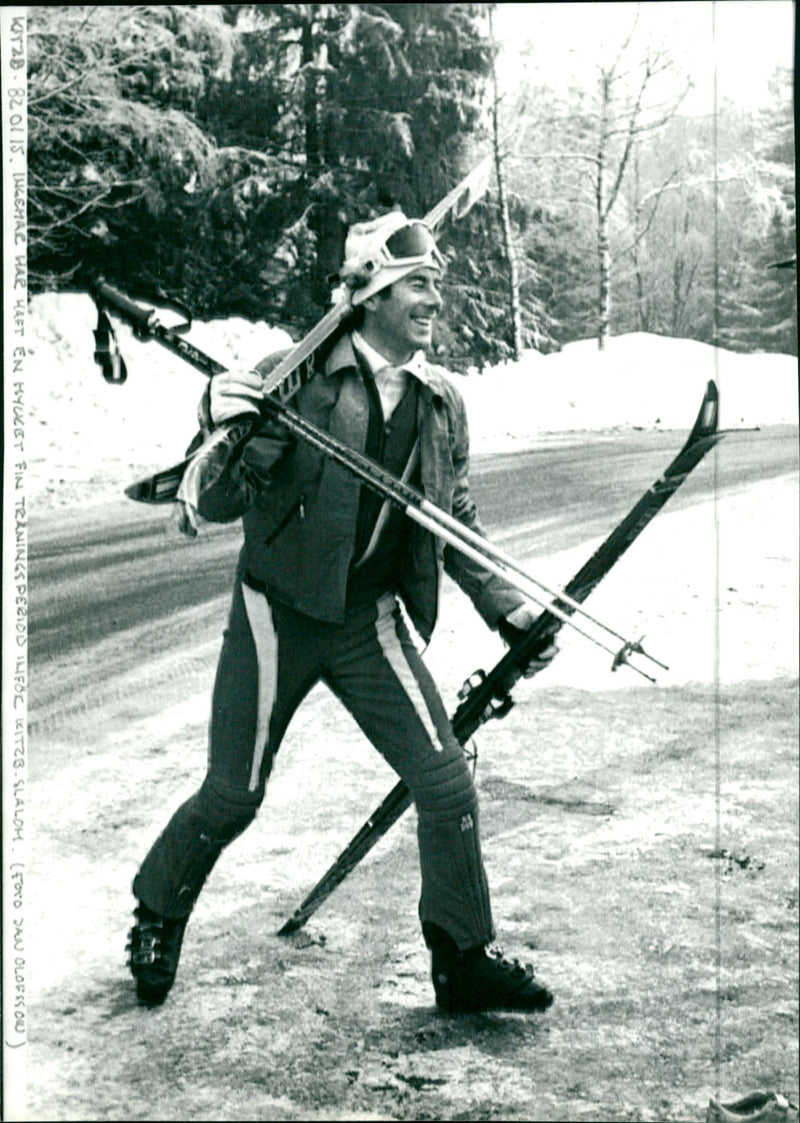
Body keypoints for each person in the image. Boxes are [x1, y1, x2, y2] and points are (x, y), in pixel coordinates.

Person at [127, 211, 558, 1013]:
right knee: (234, 793)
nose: (436, 300)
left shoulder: (439, 401)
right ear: (375, 296)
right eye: (420, 287)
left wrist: (511, 611)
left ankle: (461, 957)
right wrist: (214, 417)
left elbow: (448, 518)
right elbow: (219, 500)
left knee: (445, 781)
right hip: (275, 614)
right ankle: (158, 911)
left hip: (368, 619)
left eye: (435, 285)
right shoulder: (293, 377)